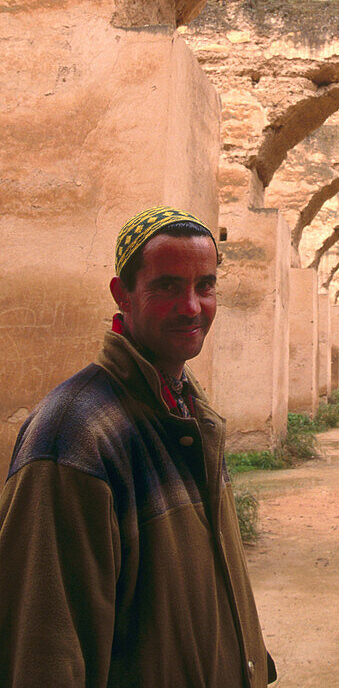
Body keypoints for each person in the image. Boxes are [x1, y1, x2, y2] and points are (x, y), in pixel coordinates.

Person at [0, 205, 277, 687]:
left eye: (204, 286)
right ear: (122, 294)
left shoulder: (186, 408)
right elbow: (42, 650)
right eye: (167, 286)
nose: (191, 306)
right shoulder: (74, 435)